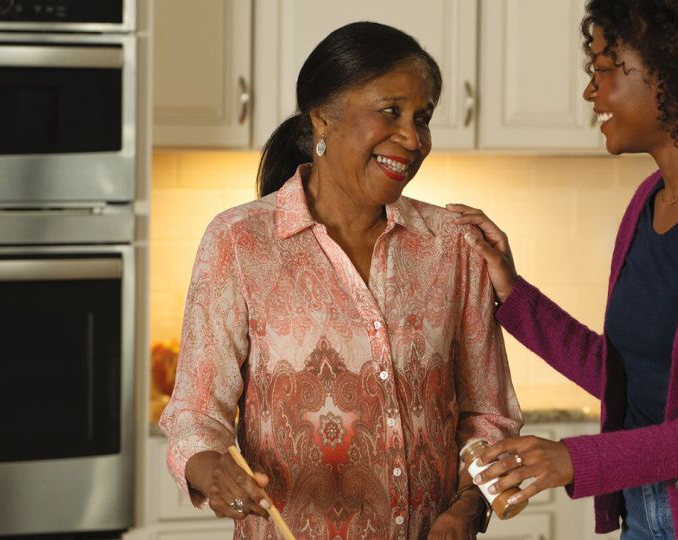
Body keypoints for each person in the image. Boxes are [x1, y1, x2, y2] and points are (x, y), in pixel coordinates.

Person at [448, 1, 678, 538]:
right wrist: (514, 293)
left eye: (606, 69)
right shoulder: (649, 201)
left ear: (675, 70)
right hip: (647, 519)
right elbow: (627, 379)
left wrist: (575, 459)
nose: (591, 91)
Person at [159, 21, 521, 539]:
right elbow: (195, 414)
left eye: (423, 118)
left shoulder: (450, 245)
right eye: (391, 112)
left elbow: (489, 416)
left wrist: (470, 507)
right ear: (322, 118)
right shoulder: (240, 242)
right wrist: (210, 469)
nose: (413, 139)